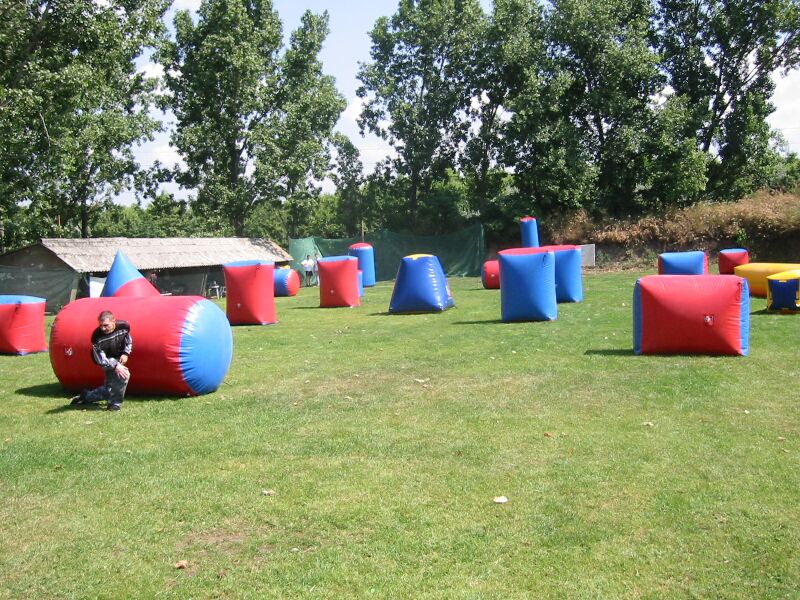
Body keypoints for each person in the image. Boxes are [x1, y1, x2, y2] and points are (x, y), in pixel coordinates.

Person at [71, 310, 132, 411]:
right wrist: (116, 365)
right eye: (101, 325)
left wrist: (125, 353)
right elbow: (101, 359)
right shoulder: (97, 336)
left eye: (106, 325)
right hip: (105, 361)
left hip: (117, 358)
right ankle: (114, 404)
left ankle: (86, 396)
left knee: (110, 389)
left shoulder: (124, 327)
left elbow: (128, 341)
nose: (103, 328)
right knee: (124, 374)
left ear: (113, 321)